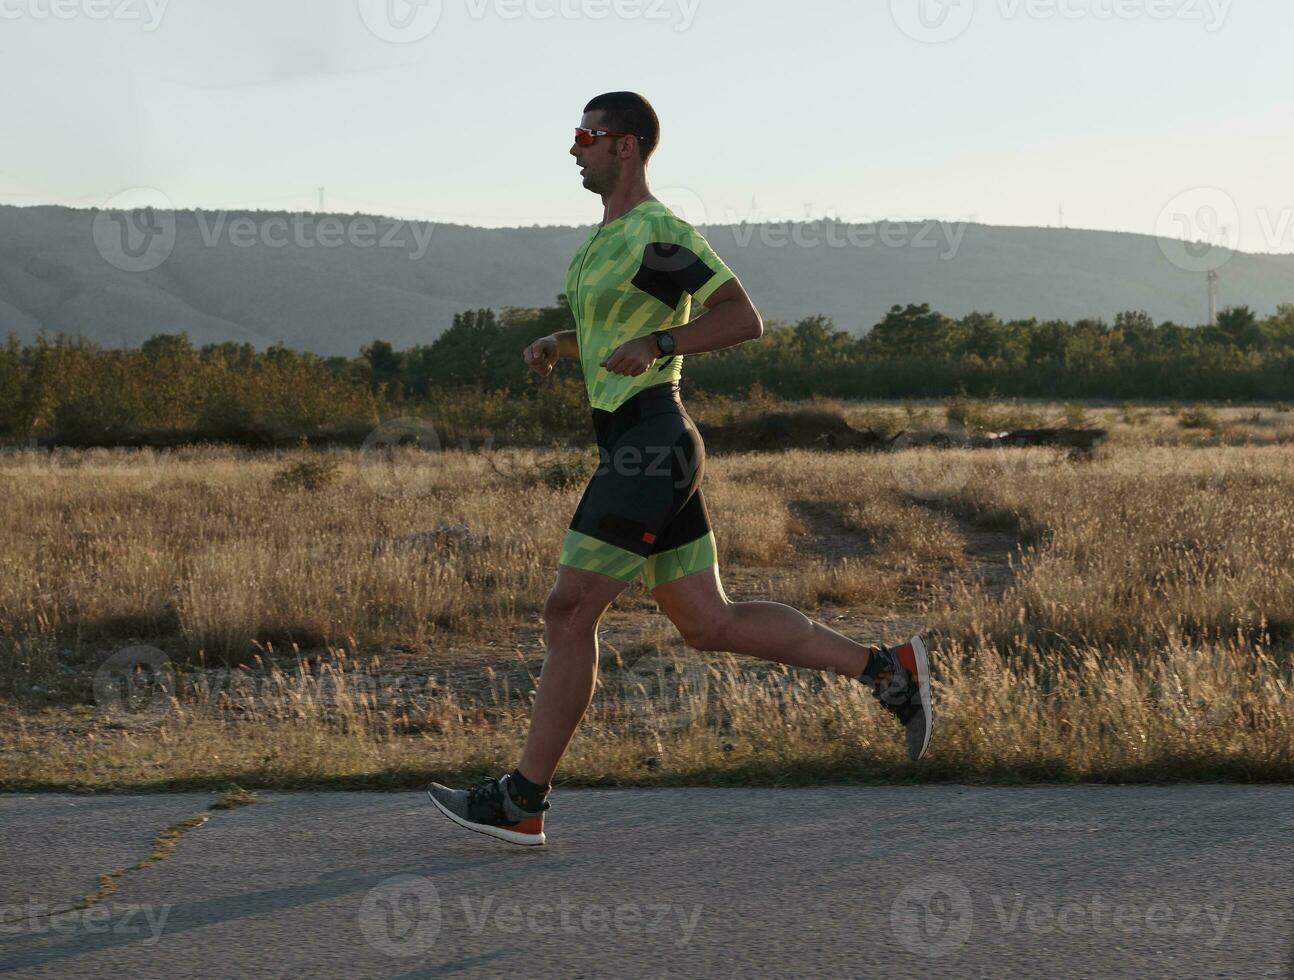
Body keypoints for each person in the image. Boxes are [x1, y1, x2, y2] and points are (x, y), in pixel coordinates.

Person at [429, 92, 932, 846]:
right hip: (639, 446)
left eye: (585, 136)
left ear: (624, 146)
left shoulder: (659, 233)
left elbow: (741, 316)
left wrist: (664, 346)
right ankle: (886, 670)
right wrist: (560, 346)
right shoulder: (602, 242)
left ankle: (522, 798)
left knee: (569, 611)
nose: (574, 150)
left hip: (652, 442)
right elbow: (614, 329)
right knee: (708, 622)